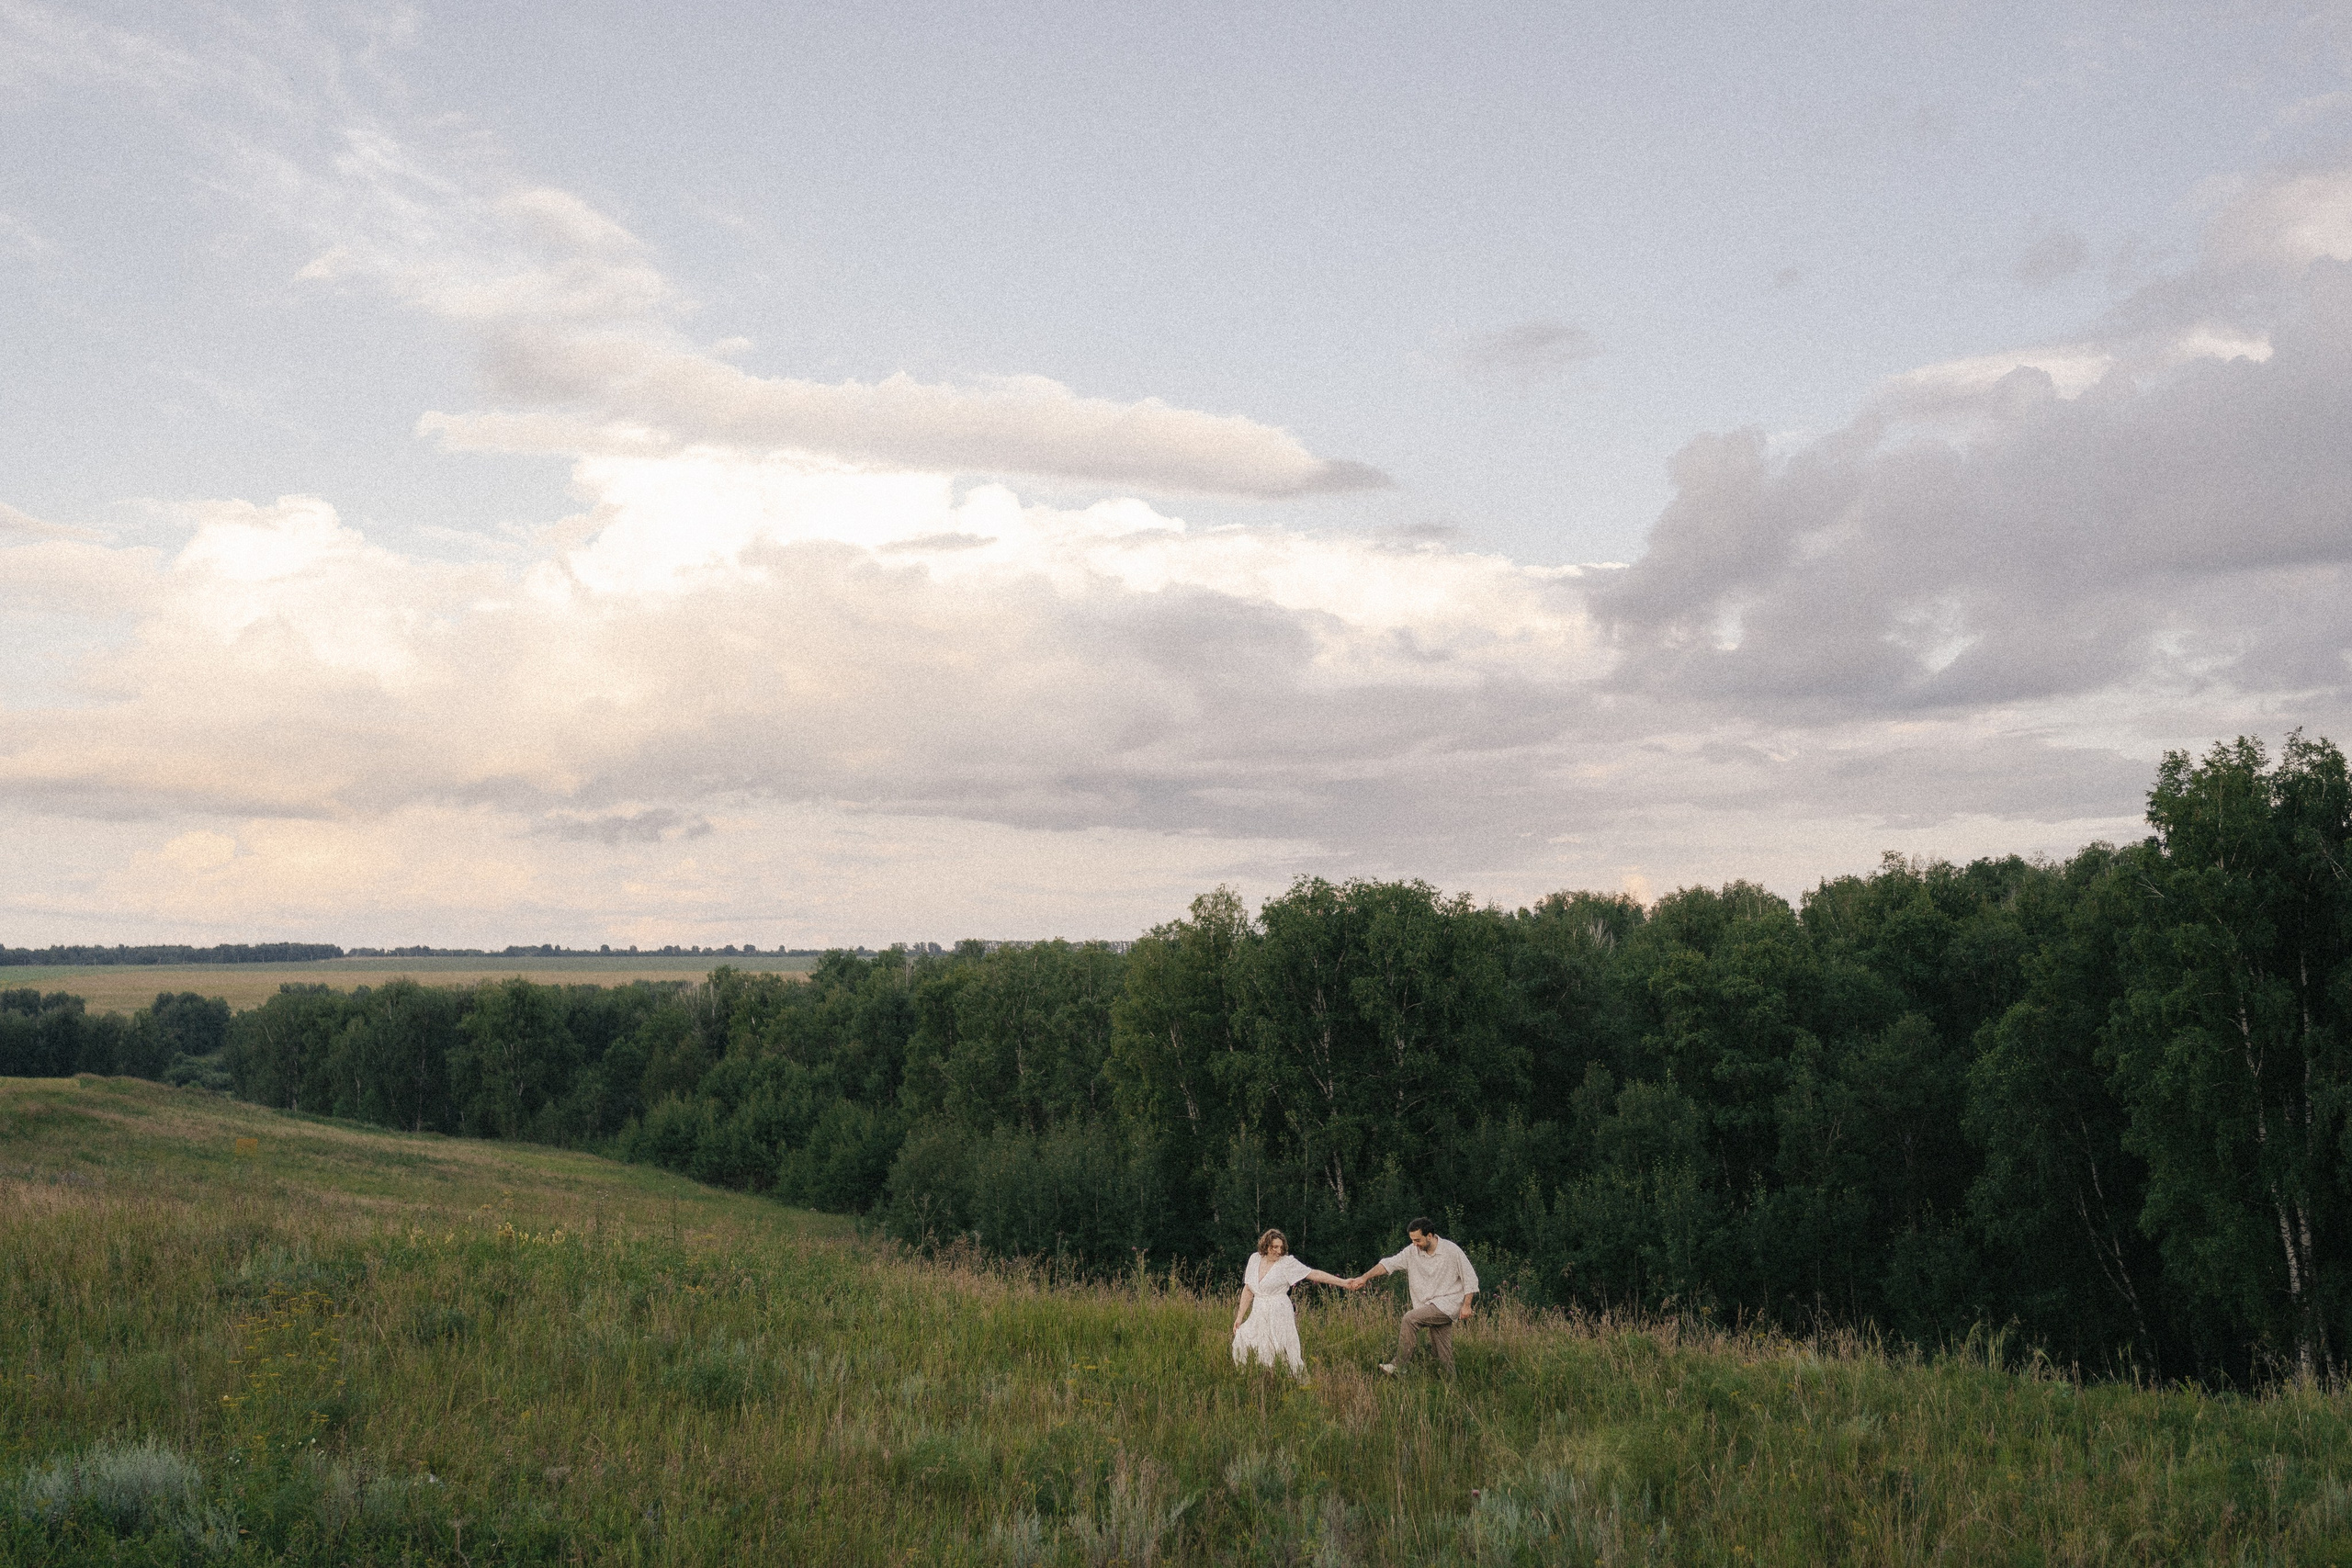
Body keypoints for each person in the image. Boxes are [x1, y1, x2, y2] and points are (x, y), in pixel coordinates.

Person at [1350, 1217, 1479, 1375]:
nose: (1414, 1244)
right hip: (1429, 1305)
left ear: (1429, 1236)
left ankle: (1399, 1366)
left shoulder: (1451, 1251)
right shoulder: (1412, 1252)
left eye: (1417, 1240)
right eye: (1412, 1240)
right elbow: (1388, 1264)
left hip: (1449, 1303)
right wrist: (1364, 1277)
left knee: (1410, 1319)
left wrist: (1467, 1305)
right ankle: (1450, 1381)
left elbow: (1470, 1277)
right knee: (1442, 1349)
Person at [1231, 1228, 1355, 1377]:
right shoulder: (1254, 1259)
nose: (1278, 1251)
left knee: (1283, 1347)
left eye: (1281, 1248)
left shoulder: (1287, 1263)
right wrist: (1240, 1316)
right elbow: (1248, 1289)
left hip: (1279, 1310)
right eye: (1274, 1247)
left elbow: (1312, 1273)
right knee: (1249, 1340)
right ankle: (1264, 1379)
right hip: (1259, 1310)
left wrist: (1343, 1283)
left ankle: (1290, 1379)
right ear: (1265, 1246)